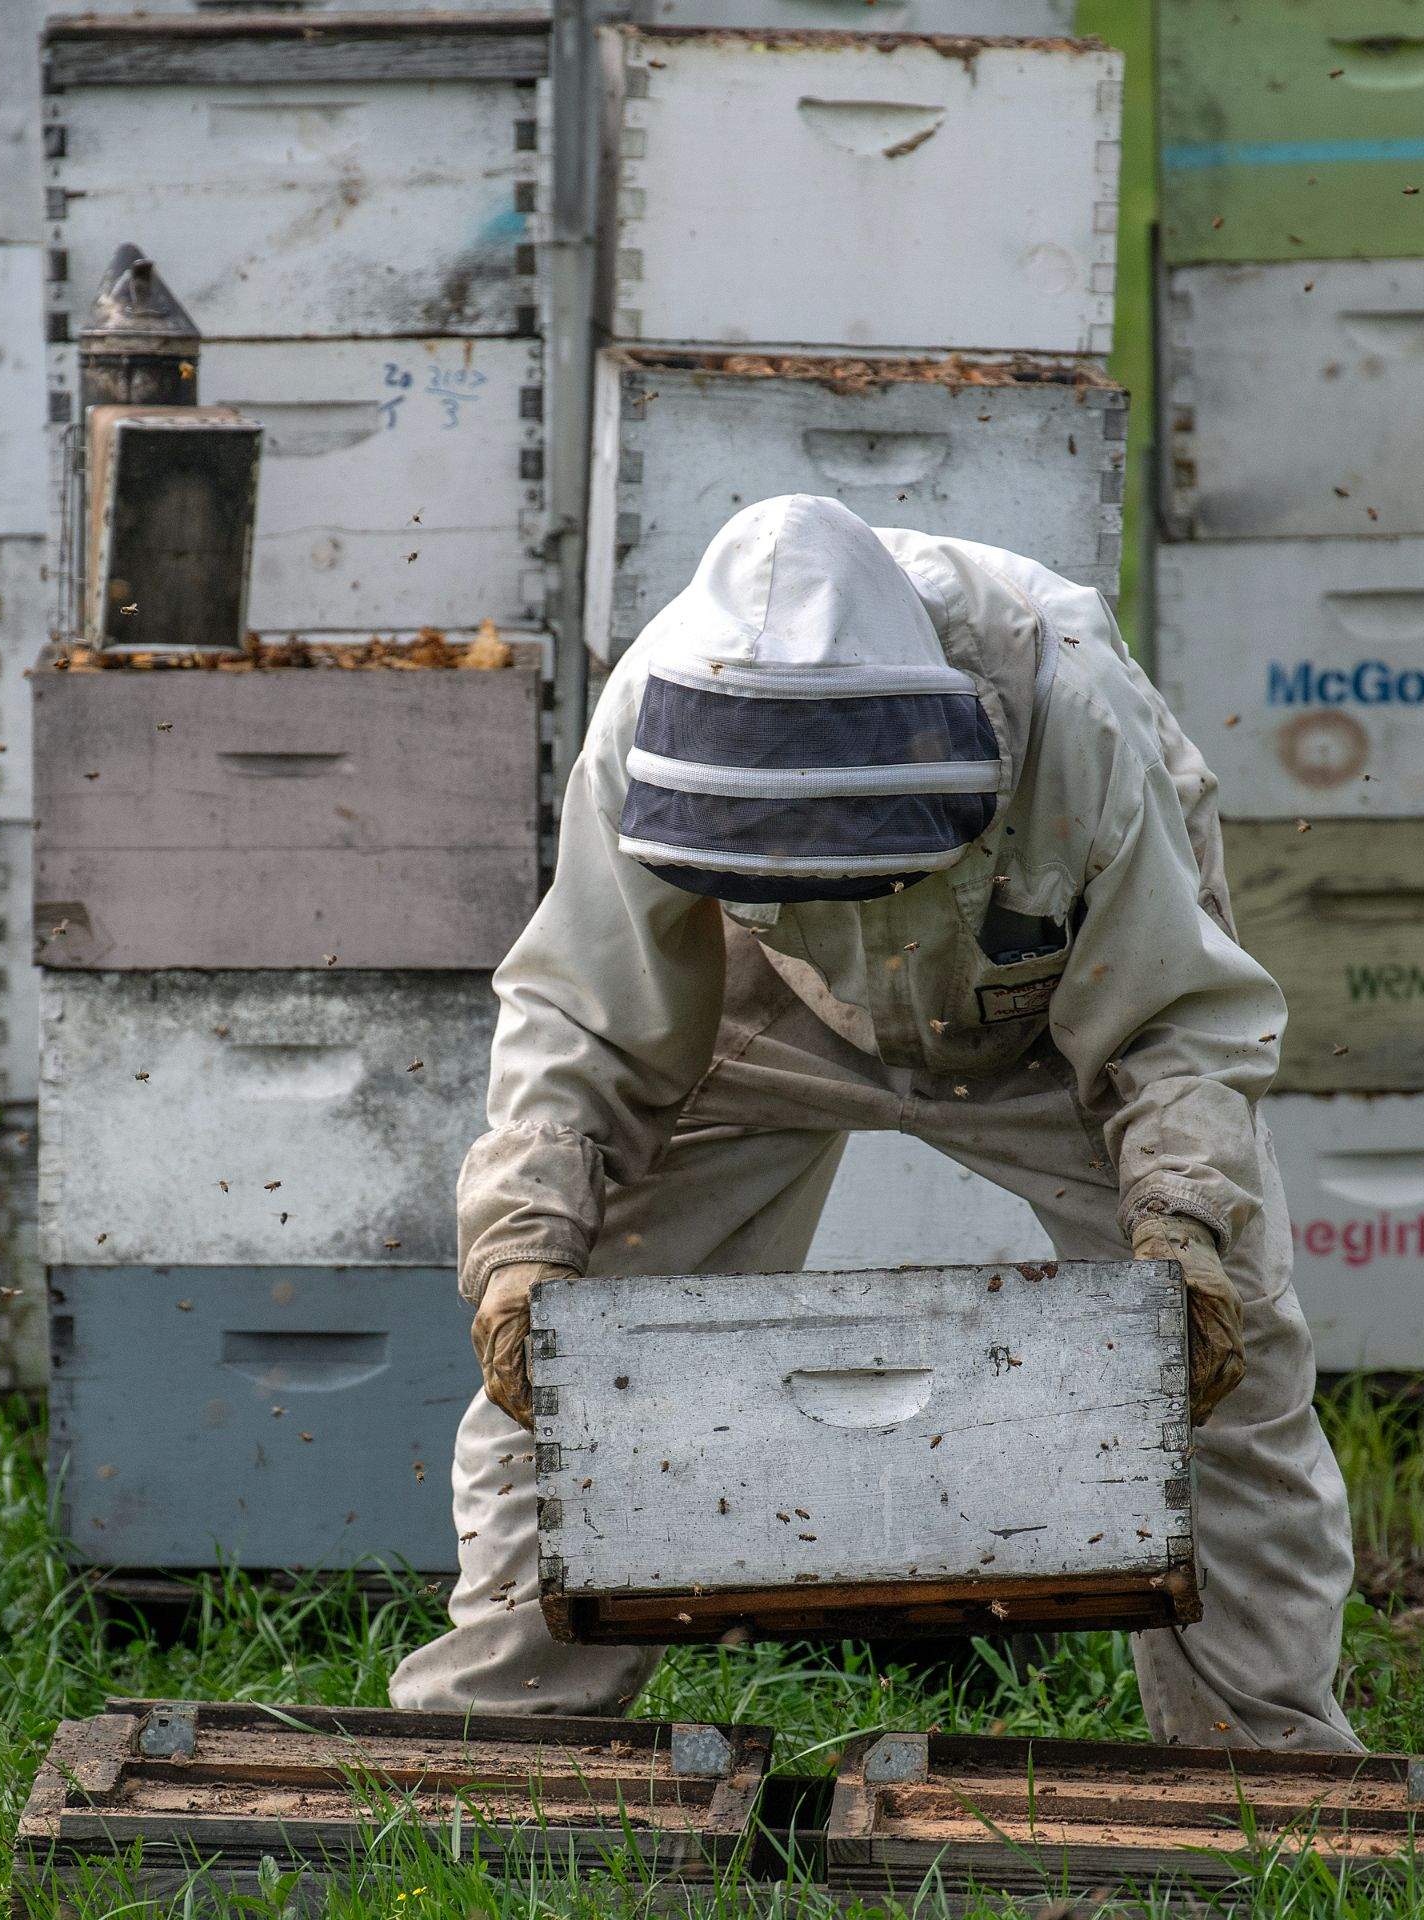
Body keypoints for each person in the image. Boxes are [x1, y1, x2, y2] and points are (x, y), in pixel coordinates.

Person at [386, 495, 1359, 1751]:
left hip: (1053, 1015)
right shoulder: (653, 715)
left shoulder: (1071, 709)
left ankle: (1266, 1760)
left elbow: (1174, 1023)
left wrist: (1183, 1227)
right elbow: (587, 1016)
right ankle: (493, 1746)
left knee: (1232, 1363)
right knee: (577, 1351)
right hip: (754, 1011)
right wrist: (523, 1243)